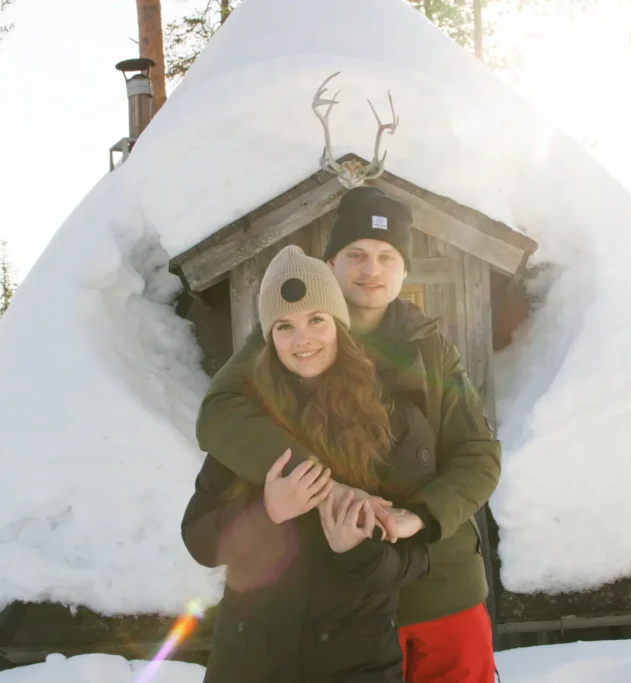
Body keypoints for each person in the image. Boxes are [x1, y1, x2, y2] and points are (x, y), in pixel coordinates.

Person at [195, 186, 501, 682]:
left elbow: (478, 453)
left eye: (387, 257)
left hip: (438, 582)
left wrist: (419, 515)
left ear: (405, 271)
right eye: (355, 254)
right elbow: (219, 413)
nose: (370, 269)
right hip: (343, 597)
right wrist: (323, 486)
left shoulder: (431, 349)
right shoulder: (290, 336)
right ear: (330, 263)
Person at [182, 245, 440, 682]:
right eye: (285, 326)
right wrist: (268, 514)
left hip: (356, 664)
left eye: (316, 320)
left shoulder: (391, 416)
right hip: (250, 663)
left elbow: (419, 559)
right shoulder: (248, 419)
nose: (302, 340)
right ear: (268, 338)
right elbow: (200, 540)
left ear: (339, 325)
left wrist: (359, 551)